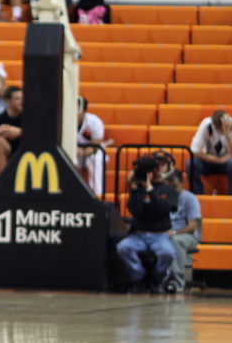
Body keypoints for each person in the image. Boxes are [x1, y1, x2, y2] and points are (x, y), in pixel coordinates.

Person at [116, 155, 179, 293]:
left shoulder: (169, 190)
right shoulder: (138, 188)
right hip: (139, 234)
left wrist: (150, 190)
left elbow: (162, 209)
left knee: (167, 253)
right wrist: (133, 187)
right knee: (123, 247)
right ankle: (138, 276)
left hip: (160, 235)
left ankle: (157, 278)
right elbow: (135, 210)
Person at [186, 109, 232, 196]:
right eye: (219, 128)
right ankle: (198, 196)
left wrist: (227, 135)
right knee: (190, 164)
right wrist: (219, 160)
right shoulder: (206, 125)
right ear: (214, 125)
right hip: (210, 160)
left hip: (228, 161)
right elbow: (194, 150)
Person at [163, 169, 201, 294]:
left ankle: (177, 281)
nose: (172, 190)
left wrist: (173, 233)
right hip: (166, 234)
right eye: (169, 187)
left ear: (182, 183)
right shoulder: (163, 198)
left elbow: (192, 226)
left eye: (175, 187)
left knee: (175, 241)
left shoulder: (190, 199)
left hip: (187, 236)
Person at [76, 95, 106, 196]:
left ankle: (96, 194)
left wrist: (83, 152)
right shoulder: (62, 120)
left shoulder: (94, 122)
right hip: (72, 154)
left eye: (78, 112)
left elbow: (96, 146)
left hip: (89, 153)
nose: (75, 114)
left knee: (96, 159)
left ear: (84, 111)